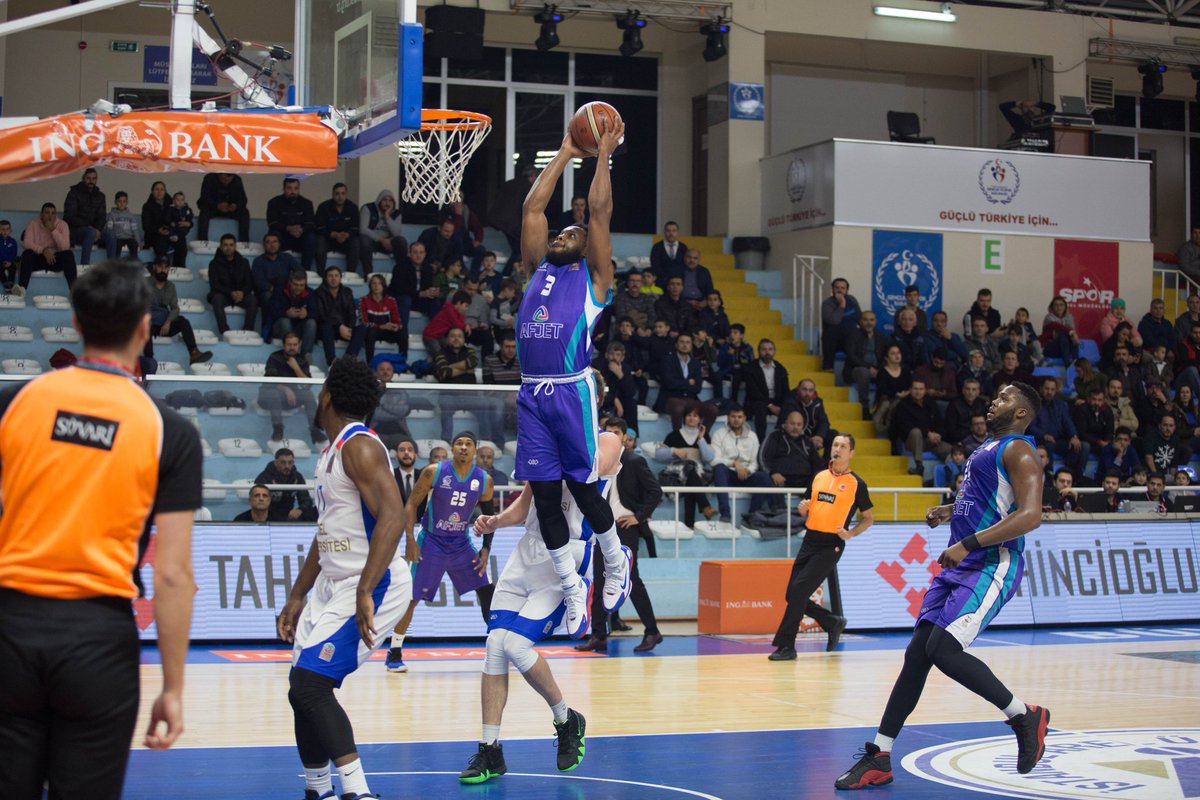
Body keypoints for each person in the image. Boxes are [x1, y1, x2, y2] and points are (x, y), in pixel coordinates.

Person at [0, 259, 201, 798]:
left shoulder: (14, 403)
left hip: (10, 627)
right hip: (97, 639)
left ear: (75, 322)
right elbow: (173, 574)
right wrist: (173, 687)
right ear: (144, 328)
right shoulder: (169, 430)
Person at [834, 382, 1050, 790]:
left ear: (1022, 412)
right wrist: (950, 510)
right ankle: (880, 755)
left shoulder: (1020, 450)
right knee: (917, 654)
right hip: (961, 565)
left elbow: (1030, 515)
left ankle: (1025, 716)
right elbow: (988, 500)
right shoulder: (987, 447)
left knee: (944, 650)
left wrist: (967, 543)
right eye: (996, 395)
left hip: (991, 564)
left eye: (1004, 398)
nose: (994, 401)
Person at [514, 120, 632, 640]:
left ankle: (615, 561)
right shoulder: (536, 269)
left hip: (569, 388)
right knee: (544, 496)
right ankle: (570, 587)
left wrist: (602, 153)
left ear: (587, 249)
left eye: (572, 235)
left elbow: (599, 212)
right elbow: (532, 210)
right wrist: (564, 151)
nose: (562, 236)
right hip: (531, 391)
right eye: (560, 234)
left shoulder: (593, 279)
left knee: (583, 491)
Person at [277, 357, 411, 800]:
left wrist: (365, 589)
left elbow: (393, 517)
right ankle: (319, 790)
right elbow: (326, 534)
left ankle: (358, 792)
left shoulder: (360, 446)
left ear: (328, 397)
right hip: (333, 585)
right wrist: (297, 595)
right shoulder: (331, 452)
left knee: (311, 685)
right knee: (301, 687)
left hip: (373, 582)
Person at [458, 428, 624, 785]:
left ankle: (566, 719)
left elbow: (595, 466)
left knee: (516, 646)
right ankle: (490, 749)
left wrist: (547, 446)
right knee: (495, 646)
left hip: (566, 556)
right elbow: (525, 504)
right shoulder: (544, 440)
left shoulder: (606, 439)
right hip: (527, 551)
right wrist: (496, 520)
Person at [384, 432, 496, 673]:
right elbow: (411, 504)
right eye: (459, 444)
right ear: (452, 449)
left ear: (475, 450)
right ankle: (394, 651)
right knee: (411, 597)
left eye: (468, 444)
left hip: (460, 543)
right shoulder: (434, 471)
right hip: (431, 541)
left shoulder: (484, 480)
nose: (463, 447)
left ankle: (498, 649)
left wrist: (486, 548)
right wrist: (410, 539)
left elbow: (489, 518)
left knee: (486, 590)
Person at [768, 433, 874, 660]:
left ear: (851, 453)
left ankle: (787, 646)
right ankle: (831, 621)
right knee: (792, 593)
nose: (837, 449)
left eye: (843, 446)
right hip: (810, 540)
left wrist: (851, 533)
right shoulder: (819, 477)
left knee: (799, 591)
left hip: (830, 545)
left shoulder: (857, 484)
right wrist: (803, 508)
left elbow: (868, 518)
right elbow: (806, 505)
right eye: (835, 445)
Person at [577, 417, 664, 653]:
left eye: (616, 432)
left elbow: (655, 491)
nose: (612, 436)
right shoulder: (599, 460)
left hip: (625, 527)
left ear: (625, 437)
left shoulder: (634, 461)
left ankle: (652, 630)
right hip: (602, 527)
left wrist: (638, 516)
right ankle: (598, 635)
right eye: (608, 431)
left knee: (631, 579)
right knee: (599, 579)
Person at [652, 405, 717, 528]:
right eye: (689, 415)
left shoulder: (704, 436)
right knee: (689, 467)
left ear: (700, 419)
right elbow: (658, 455)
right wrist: (674, 451)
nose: (691, 418)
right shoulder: (674, 435)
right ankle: (705, 506)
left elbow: (709, 458)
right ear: (684, 418)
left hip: (698, 474)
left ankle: (689, 524)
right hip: (676, 475)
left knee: (690, 474)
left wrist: (701, 439)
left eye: (695, 416)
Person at [144, 255, 213, 365]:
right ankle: (149, 361)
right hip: (147, 321)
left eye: (166, 267)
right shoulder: (144, 283)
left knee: (183, 322)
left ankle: (194, 353)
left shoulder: (170, 286)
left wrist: (168, 322)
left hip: (163, 324)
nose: (163, 270)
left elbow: (175, 308)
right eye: (160, 267)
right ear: (154, 267)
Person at [207, 234, 259, 335]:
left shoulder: (244, 262)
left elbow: (249, 283)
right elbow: (214, 285)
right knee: (217, 299)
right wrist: (230, 293)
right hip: (224, 295)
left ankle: (248, 330)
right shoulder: (213, 264)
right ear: (221, 247)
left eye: (231, 245)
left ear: (235, 246)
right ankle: (224, 331)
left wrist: (242, 293)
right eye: (225, 245)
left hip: (241, 295)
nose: (228, 248)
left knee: (253, 300)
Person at [19, 202, 77, 292]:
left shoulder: (63, 225)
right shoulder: (33, 224)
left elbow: (65, 247)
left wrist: (53, 230)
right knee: (27, 254)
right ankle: (21, 290)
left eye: (53, 213)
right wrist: (43, 250)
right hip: (39, 257)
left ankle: (75, 291)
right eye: (47, 213)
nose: (50, 216)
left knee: (68, 254)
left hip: (55, 259)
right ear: (41, 214)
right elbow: (27, 243)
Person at [844, 310, 891, 420]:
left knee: (888, 372)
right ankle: (864, 408)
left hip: (877, 370)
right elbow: (851, 356)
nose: (869, 323)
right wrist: (869, 368)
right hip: (855, 370)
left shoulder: (881, 337)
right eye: (865, 320)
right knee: (863, 372)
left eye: (871, 320)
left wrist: (879, 370)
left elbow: (886, 357)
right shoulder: (853, 335)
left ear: (875, 322)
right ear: (860, 321)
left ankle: (882, 407)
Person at [315, 266, 366, 366]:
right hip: (326, 330)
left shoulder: (347, 292)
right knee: (326, 327)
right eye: (330, 276)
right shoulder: (318, 293)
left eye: (336, 276)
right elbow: (321, 316)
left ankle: (348, 359)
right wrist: (339, 326)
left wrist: (348, 328)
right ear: (326, 278)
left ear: (340, 278)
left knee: (362, 328)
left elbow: (352, 314)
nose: (333, 278)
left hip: (344, 329)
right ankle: (332, 363)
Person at [266, 270, 319, 362]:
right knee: (285, 321)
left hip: (299, 327)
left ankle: (305, 355)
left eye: (301, 285)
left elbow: (316, 314)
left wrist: (306, 314)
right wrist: (286, 313)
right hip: (280, 326)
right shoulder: (279, 291)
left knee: (311, 323)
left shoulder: (311, 293)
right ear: (290, 282)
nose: (298, 288)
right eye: (295, 285)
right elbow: (272, 311)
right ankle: (290, 355)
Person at [744, 338, 791, 441]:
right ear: (759, 351)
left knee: (790, 406)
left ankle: (780, 438)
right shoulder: (751, 368)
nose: (767, 352)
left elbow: (786, 390)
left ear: (774, 351)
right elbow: (753, 391)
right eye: (764, 349)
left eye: (770, 349)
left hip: (776, 401)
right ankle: (761, 442)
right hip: (757, 401)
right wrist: (770, 405)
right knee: (760, 408)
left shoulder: (780, 368)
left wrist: (783, 405)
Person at [256, 446, 319, 522]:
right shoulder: (264, 478)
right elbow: (258, 503)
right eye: (283, 462)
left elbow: (306, 500)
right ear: (276, 463)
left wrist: (300, 509)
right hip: (270, 516)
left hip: (289, 515)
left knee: (315, 512)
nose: (287, 466)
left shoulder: (297, 477)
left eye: (290, 462)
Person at [266, 177, 317, 269]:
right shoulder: (274, 202)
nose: (293, 191)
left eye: (296, 188)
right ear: (283, 189)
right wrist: (288, 228)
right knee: (273, 236)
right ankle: (275, 268)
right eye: (289, 188)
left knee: (311, 237)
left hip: (300, 237)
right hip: (283, 237)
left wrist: (301, 230)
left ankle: (306, 270)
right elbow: (272, 223)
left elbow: (311, 223)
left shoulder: (307, 203)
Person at [63, 168, 106, 265]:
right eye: (88, 178)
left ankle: (112, 267)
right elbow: (69, 216)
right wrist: (89, 227)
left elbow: (102, 216)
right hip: (76, 231)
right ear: (83, 179)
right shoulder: (73, 193)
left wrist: (98, 229)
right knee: (90, 232)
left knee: (110, 234)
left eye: (94, 178)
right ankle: (84, 265)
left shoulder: (100, 196)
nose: (91, 181)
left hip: (94, 231)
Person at [360, 273, 405, 361]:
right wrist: (380, 326)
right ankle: (370, 364)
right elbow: (364, 322)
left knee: (402, 332)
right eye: (374, 283)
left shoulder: (391, 300)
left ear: (383, 286)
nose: (376, 286)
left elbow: (397, 320)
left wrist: (396, 326)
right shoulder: (363, 300)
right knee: (370, 333)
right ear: (370, 285)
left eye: (379, 283)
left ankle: (402, 362)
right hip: (372, 331)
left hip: (387, 331)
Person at [359, 189, 406, 273]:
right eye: (384, 200)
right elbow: (363, 229)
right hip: (372, 241)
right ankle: (368, 274)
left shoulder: (397, 213)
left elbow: (396, 233)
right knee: (364, 240)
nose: (387, 203)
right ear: (379, 200)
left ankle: (402, 272)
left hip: (387, 243)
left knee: (401, 241)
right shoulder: (368, 208)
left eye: (390, 200)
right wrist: (381, 239)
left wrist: (387, 216)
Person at [821, 277, 861, 370]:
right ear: (832, 289)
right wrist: (842, 305)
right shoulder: (827, 303)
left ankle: (851, 372)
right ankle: (828, 368)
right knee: (830, 334)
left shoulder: (852, 300)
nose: (840, 290)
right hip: (834, 339)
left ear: (847, 290)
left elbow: (859, 317)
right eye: (837, 288)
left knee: (858, 335)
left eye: (843, 288)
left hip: (850, 337)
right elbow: (834, 321)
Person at [197, 172, 249, 242]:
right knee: (204, 212)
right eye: (224, 179)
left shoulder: (237, 180)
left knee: (244, 213)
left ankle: (244, 242)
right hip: (213, 208)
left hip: (230, 210)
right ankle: (202, 241)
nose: (226, 181)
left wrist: (236, 205)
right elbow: (204, 198)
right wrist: (217, 205)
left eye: (229, 180)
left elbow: (243, 199)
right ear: (219, 174)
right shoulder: (209, 178)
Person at [142, 181, 177, 265]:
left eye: (162, 189)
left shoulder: (172, 204)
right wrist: (158, 230)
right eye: (156, 189)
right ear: (152, 192)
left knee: (181, 243)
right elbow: (146, 226)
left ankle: (179, 268)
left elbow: (177, 218)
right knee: (161, 242)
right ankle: (163, 268)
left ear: (165, 191)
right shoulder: (147, 206)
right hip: (154, 235)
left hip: (170, 233)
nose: (159, 192)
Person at [105, 191, 142, 260]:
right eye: (119, 201)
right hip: (118, 238)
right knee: (117, 247)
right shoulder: (112, 215)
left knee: (134, 244)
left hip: (128, 237)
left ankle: (134, 263)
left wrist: (139, 242)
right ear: (115, 202)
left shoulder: (130, 215)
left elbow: (135, 230)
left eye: (124, 201)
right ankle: (116, 264)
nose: (122, 204)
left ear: (127, 202)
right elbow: (109, 229)